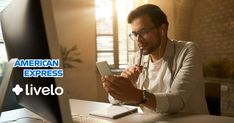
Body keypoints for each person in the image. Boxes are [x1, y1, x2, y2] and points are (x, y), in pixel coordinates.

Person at [101, 4, 209, 114]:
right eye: (135, 34)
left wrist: (137, 95)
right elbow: (114, 101)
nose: (138, 40)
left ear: (162, 30)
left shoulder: (188, 51)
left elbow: (177, 100)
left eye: (143, 32)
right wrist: (121, 85)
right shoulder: (136, 58)